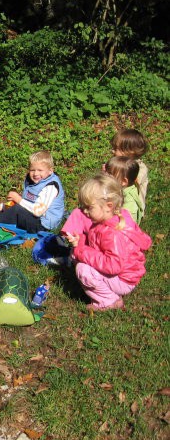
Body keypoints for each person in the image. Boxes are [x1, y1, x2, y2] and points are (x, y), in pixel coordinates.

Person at [64, 173, 151, 312]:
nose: (85, 211)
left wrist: (81, 250)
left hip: (123, 279)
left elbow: (112, 266)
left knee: (83, 269)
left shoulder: (112, 233)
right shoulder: (114, 218)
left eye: (89, 207)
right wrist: (81, 243)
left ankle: (109, 301)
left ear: (108, 206)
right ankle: (106, 292)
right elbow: (99, 247)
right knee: (77, 256)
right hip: (127, 274)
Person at [0, 150, 65, 233]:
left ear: (50, 171)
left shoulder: (51, 187)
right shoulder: (33, 182)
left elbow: (38, 211)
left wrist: (18, 199)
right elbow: (26, 203)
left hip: (43, 225)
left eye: (40, 170)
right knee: (10, 210)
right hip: (33, 217)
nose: (36, 173)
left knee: (17, 210)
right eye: (32, 170)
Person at [110, 128, 148, 217]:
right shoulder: (118, 164)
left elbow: (135, 179)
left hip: (132, 208)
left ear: (128, 151)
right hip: (118, 204)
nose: (112, 151)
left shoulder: (140, 168)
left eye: (116, 149)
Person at [105, 156, 143, 224]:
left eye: (110, 174)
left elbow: (127, 225)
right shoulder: (119, 189)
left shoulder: (129, 205)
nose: (105, 176)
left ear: (124, 181)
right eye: (106, 172)